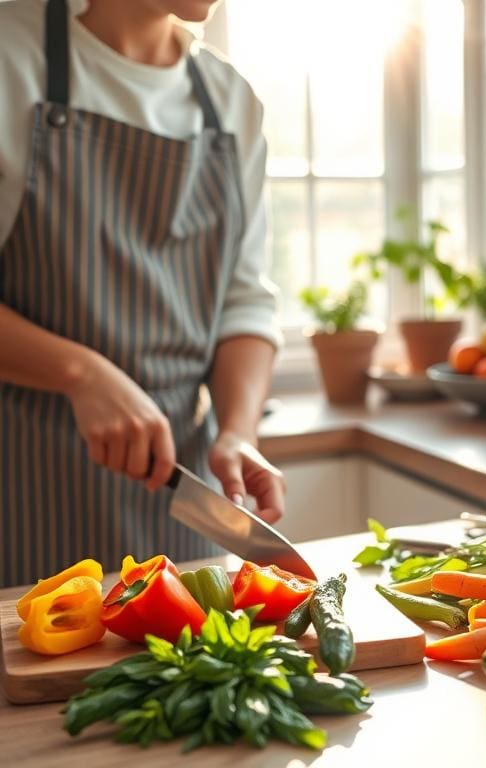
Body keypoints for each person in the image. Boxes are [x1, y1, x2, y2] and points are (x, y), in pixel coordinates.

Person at [0, 0, 286, 588]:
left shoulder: (231, 100)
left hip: (180, 502)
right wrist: (81, 374)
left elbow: (244, 303)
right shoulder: (10, 59)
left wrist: (237, 430)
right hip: (25, 491)